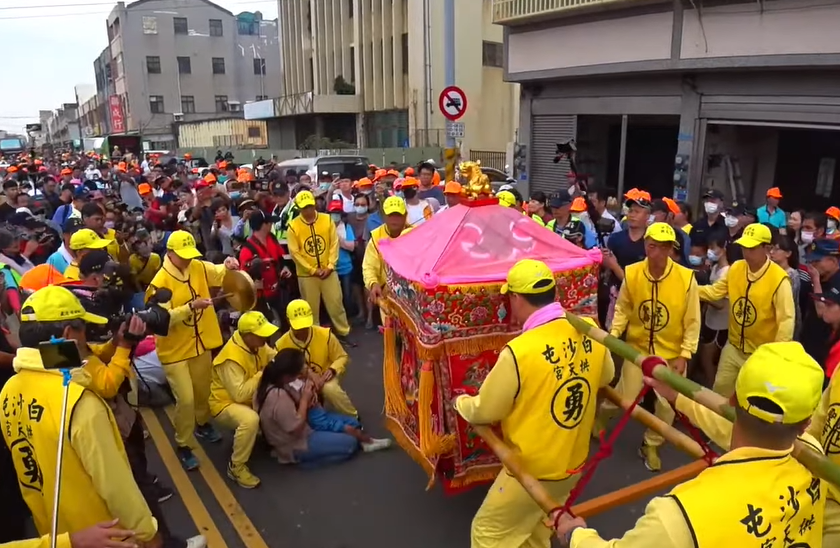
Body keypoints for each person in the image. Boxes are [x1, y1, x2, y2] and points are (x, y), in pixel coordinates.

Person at [555, 341, 826, 548]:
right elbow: (727, 426)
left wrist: (574, 535)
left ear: (732, 398)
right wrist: (676, 396)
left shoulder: (680, 516)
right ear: (806, 423)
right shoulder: (815, 456)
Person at [455, 259, 613, 548]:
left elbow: (487, 410)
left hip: (533, 469)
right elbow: (607, 375)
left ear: (515, 297)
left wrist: (462, 403)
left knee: (487, 532)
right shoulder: (588, 328)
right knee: (537, 530)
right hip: (573, 461)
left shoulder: (520, 352)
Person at [0, 286, 161, 547]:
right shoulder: (79, 403)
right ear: (67, 334)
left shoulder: (9, 391)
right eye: (83, 329)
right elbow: (117, 487)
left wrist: (117, 345)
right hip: (107, 535)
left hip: (55, 533)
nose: (87, 336)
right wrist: (147, 534)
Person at [595, 223, 700, 472]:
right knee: (625, 397)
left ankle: (651, 443)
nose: (658, 252)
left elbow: (693, 319)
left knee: (668, 405)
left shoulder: (686, 278)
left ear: (671, 249)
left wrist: (685, 353)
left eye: (664, 247)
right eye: (653, 246)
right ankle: (600, 417)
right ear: (646, 245)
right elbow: (623, 307)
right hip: (638, 348)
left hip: (671, 352)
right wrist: (615, 334)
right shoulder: (632, 273)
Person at [146, 230, 240, 470]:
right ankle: (183, 443)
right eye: (183, 256)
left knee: (202, 390)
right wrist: (190, 307)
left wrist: (228, 265)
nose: (188, 260)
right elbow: (161, 318)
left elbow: (217, 272)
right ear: (170, 253)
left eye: (190, 255)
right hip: (175, 350)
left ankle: (202, 423)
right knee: (185, 399)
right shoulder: (160, 283)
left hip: (201, 344)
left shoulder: (197, 266)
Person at [698, 223, 795, 397]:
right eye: (744, 247)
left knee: (749, 398)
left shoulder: (779, 279)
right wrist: (689, 288)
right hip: (733, 346)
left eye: (752, 248)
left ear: (767, 248)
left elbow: (786, 320)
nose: (746, 252)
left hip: (760, 353)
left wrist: (775, 355)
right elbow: (714, 292)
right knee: (720, 389)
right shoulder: (736, 268)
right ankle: (715, 424)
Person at [254, 348, 388, 466]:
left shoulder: (275, 381)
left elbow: (296, 396)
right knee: (351, 444)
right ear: (288, 375)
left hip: (305, 423)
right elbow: (295, 428)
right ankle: (297, 459)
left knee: (354, 424)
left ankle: (342, 439)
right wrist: (305, 400)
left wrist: (308, 396)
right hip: (296, 441)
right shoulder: (277, 397)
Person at [209, 311, 278, 488]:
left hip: (246, 398)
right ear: (247, 336)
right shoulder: (230, 358)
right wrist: (263, 373)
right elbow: (239, 394)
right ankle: (236, 466)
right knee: (250, 420)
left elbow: (273, 356)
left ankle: (262, 435)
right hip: (224, 404)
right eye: (261, 334)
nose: (266, 337)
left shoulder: (257, 344)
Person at [275, 299, 358, 417]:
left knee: (330, 389)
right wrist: (306, 376)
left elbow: (342, 357)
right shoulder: (280, 344)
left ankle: (354, 417)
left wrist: (332, 369)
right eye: (298, 327)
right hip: (298, 381)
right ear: (288, 321)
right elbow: (281, 373)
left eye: (305, 325)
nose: (303, 330)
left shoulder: (325, 334)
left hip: (325, 375)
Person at [286, 190, 351, 340]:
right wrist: (312, 270)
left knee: (336, 304)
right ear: (298, 208)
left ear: (315, 204)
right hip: (307, 275)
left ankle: (343, 332)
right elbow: (295, 253)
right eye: (304, 208)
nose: (308, 210)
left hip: (329, 271)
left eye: (310, 206)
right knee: (311, 308)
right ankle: (315, 336)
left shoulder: (326, 220)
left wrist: (330, 266)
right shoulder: (293, 226)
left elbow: (334, 244)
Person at [239, 210, 293, 327]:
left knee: (285, 323)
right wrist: (254, 284)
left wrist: (284, 267)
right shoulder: (247, 249)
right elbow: (244, 277)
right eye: (269, 222)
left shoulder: (271, 238)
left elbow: (280, 257)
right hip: (261, 298)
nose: (271, 225)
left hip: (277, 291)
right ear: (263, 225)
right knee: (265, 327)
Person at [363, 197, 411, 321]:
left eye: (398, 215)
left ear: (405, 215)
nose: (394, 219)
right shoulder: (376, 237)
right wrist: (373, 283)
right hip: (387, 295)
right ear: (384, 216)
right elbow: (369, 266)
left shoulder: (415, 233)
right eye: (390, 215)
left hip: (412, 297)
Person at [801, 239, 840, 371]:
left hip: (825, 348)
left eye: (817, 261)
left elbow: (822, 313)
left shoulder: (837, 281)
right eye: (810, 261)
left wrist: (815, 280)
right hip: (809, 342)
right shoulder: (823, 277)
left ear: (833, 261)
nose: (812, 265)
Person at [698, 235, 730, 387]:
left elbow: (720, 304)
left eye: (713, 248)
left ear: (723, 250)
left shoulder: (727, 273)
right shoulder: (715, 268)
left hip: (720, 324)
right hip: (709, 320)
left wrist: (698, 293)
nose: (710, 251)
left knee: (708, 359)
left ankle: (712, 389)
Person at [770, 233, 803, 341]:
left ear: (788, 253)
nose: (771, 252)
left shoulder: (792, 275)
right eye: (771, 249)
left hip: (786, 321)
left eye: (776, 249)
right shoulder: (771, 270)